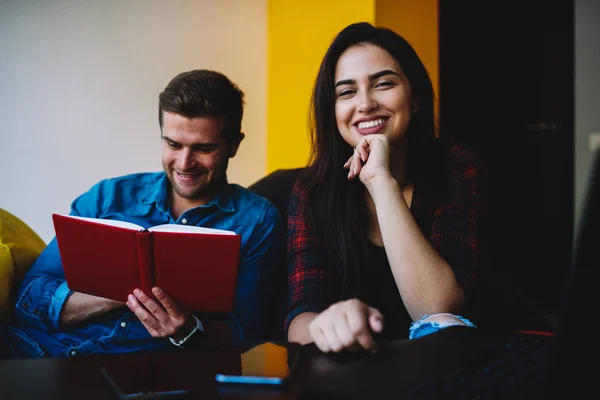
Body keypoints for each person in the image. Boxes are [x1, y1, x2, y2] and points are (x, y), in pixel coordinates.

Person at [4, 69, 284, 358]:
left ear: (234, 145)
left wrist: (188, 330)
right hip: (31, 349)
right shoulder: (107, 198)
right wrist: (118, 293)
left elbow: (250, 332)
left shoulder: (257, 221)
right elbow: (28, 301)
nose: (184, 163)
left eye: (203, 148)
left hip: (128, 374)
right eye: (173, 144)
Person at [285, 22, 483, 353]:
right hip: (351, 373)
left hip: (446, 367)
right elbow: (300, 318)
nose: (365, 104)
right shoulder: (311, 191)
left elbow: (438, 311)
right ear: (331, 110)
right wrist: (327, 325)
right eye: (346, 92)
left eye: (384, 84)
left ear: (415, 98)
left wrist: (381, 181)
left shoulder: (455, 166)